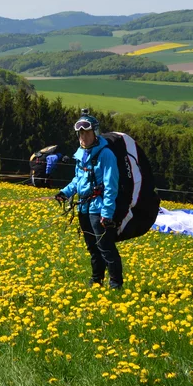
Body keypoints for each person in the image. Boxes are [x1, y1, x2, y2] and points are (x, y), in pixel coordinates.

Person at [54, 114, 122, 289]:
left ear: (95, 133)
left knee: (105, 247)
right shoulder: (81, 154)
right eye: (81, 134)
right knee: (92, 247)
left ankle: (116, 284)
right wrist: (65, 192)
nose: (83, 137)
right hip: (84, 207)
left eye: (87, 133)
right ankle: (96, 280)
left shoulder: (106, 155)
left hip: (98, 209)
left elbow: (111, 186)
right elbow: (78, 180)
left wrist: (107, 214)